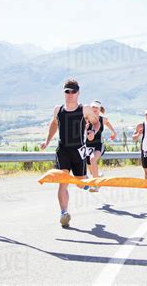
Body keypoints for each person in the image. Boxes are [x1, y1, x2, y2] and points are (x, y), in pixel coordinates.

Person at [40, 79, 99, 228]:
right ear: (64, 93)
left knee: (79, 183)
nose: (70, 94)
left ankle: (85, 183)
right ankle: (64, 213)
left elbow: (96, 122)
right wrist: (47, 141)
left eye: (73, 91)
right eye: (67, 91)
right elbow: (54, 123)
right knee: (63, 181)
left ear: (78, 93)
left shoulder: (84, 109)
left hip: (78, 151)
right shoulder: (58, 110)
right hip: (63, 150)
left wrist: (92, 131)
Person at [86, 100, 117, 193]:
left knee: (92, 160)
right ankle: (99, 177)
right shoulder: (85, 119)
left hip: (98, 145)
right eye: (93, 107)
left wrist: (114, 132)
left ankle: (96, 185)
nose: (94, 109)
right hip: (87, 147)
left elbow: (107, 122)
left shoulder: (102, 119)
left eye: (96, 107)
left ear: (99, 109)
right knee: (92, 171)